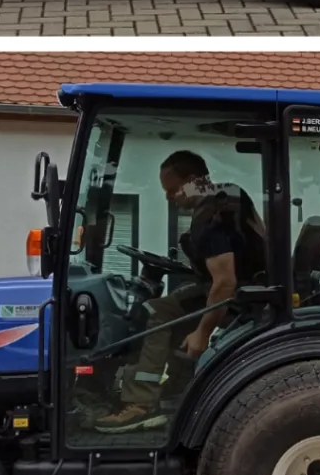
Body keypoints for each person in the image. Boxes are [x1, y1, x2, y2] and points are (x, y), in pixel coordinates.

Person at [98, 149, 267, 430]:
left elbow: (225, 282)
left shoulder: (210, 218)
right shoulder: (228, 196)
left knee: (154, 313)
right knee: (171, 307)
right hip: (252, 290)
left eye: (173, 190)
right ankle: (177, 391)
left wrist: (202, 333)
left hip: (240, 300)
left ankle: (140, 403)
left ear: (193, 180)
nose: (169, 197)